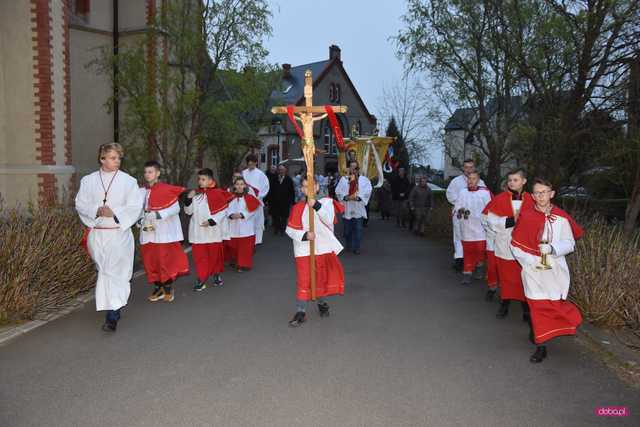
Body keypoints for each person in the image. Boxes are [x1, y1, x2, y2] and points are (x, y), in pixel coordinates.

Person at [510, 178, 583, 363]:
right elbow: (515, 245)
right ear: (533, 196)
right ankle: (540, 346)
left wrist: (552, 249)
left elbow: (570, 243)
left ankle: (542, 329)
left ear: (552, 193)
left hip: (554, 269)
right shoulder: (526, 216)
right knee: (536, 305)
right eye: (537, 193)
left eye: (545, 192)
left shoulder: (561, 217)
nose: (541, 196)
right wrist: (530, 260)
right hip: (532, 269)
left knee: (552, 304)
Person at [75, 143, 144, 332]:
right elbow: (80, 203)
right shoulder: (88, 181)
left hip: (118, 234)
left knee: (117, 273)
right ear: (102, 159)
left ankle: (112, 315)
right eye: (113, 158)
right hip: (98, 235)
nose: (117, 161)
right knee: (104, 271)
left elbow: (135, 206)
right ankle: (113, 304)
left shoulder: (128, 181)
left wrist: (114, 213)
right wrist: (96, 210)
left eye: (119, 158)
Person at [286, 175, 345, 327]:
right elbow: (290, 230)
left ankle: (322, 303)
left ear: (318, 187)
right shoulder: (297, 208)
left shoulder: (327, 203)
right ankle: (301, 312)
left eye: (311, 186)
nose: (308, 189)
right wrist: (305, 235)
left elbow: (329, 219)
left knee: (320, 278)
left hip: (322, 249)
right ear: (302, 189)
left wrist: (316, 206)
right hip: (303, 250)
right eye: (305, 186)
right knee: (304, 279)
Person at [483, 169, 535, 315]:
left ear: (524, 181)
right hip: (505, 244)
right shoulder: (499, 198)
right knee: (506, 277)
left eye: (515, 180)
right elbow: (490, 221)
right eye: (510, 180)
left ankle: (525, 307)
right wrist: (512, 220)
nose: (512, 183)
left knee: (523, 276)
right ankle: (504, 303)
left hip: (525, 246)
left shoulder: (532, 199)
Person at [139, 161, 190, 302]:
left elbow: (175, 209)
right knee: (151, 261)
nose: (147, 175)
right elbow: (137, 210)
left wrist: (157, 214)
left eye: (150, 172)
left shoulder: (167, 189)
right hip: (147, 232)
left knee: (164, 261)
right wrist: (139, 220)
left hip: (163, 231)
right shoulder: (141, 191)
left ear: (158, 173)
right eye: (145, 172)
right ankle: (158, 287)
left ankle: (167, 287)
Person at [184, 168, 232, 291]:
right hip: (198, 232)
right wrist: (188, 199)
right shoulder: (196, 195)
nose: (200, 181)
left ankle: (216, 274)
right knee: (200, 257)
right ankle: (201, 278)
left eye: (203, 179)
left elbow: (223, 210)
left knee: (214, 256)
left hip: (212, 231)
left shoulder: (218, 193)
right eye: (199, 179)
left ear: (211, 181)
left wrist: (212, 221)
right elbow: (188, 211)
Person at [446, 159, 486, 271]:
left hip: (475, 216)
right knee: (459, 235)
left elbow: (485, 197)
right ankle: (459, 259)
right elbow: (450, 194)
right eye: (466, 167)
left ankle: (474, 262)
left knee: (474, 237)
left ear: (474, 168)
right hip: (460, 213)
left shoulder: (480, 182)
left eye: (471, 167)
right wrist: (459, 204)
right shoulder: (456, 182)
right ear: (463, 168)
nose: (469, 170)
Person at [453, 171, 492, 285]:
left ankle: (479, 265)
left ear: (478, 180)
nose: (471, 181)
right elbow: (457, 206)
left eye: (473, 178)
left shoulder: (485, 193)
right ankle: (467, 273)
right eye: (469, 179)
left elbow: (490, 208)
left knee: (480, 250)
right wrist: (459, 211)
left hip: (480, 228)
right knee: (468, 251)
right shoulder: (463, 192)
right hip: (466, 227)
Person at [335, 160, 372, 254]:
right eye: (351, 167)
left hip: (358, 208)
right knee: (347, 231)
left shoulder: (364, 180)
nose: (353, 169)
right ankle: (348, 244)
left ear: (358, 169)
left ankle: (357, 247)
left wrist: (360, 198)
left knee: (358, 230)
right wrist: (344, 197)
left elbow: (368, 190)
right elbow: (338, 191)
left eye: (355, 167)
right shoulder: (344, 179)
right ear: (349, 168)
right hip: (347, 208)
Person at [226, 176, 261, 271]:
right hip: (233, 225)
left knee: (245, 248)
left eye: (241, 184)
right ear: (234, 186)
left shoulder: (249, 197)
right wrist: (230, 215)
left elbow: (253, 210)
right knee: (234, 246)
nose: (239, 186)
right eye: (237, 184)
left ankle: (242, 264)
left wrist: (242, 215)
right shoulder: (230, 197)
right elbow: (225, 209)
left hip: (246, 226)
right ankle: (236, 261)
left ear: (245, 185)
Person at [242, 154, 270, 245]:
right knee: (246, 221)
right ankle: (247, 240)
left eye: (252, 164)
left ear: (256, 163)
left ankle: (256, 241)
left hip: (256, 201)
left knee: (257, 222)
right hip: (244, 201)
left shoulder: (261, 174)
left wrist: (258, 197)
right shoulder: (243, 173)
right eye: (249, 164)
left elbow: (266, 187)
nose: (250, 166)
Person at [267, 164, 295, 235]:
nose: (281, 171)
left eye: (282, 169)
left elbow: (292, 191)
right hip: (275, 201)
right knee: (275, 216)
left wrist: (291, 201)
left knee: (284, 217)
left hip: (285, 202)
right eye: (279, 170)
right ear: (278, 171)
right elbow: (270, 190)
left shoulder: (289, 179)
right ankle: (276, 229)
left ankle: (282, 230)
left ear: (285, 170)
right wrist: (268, 200)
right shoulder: (274, 179)